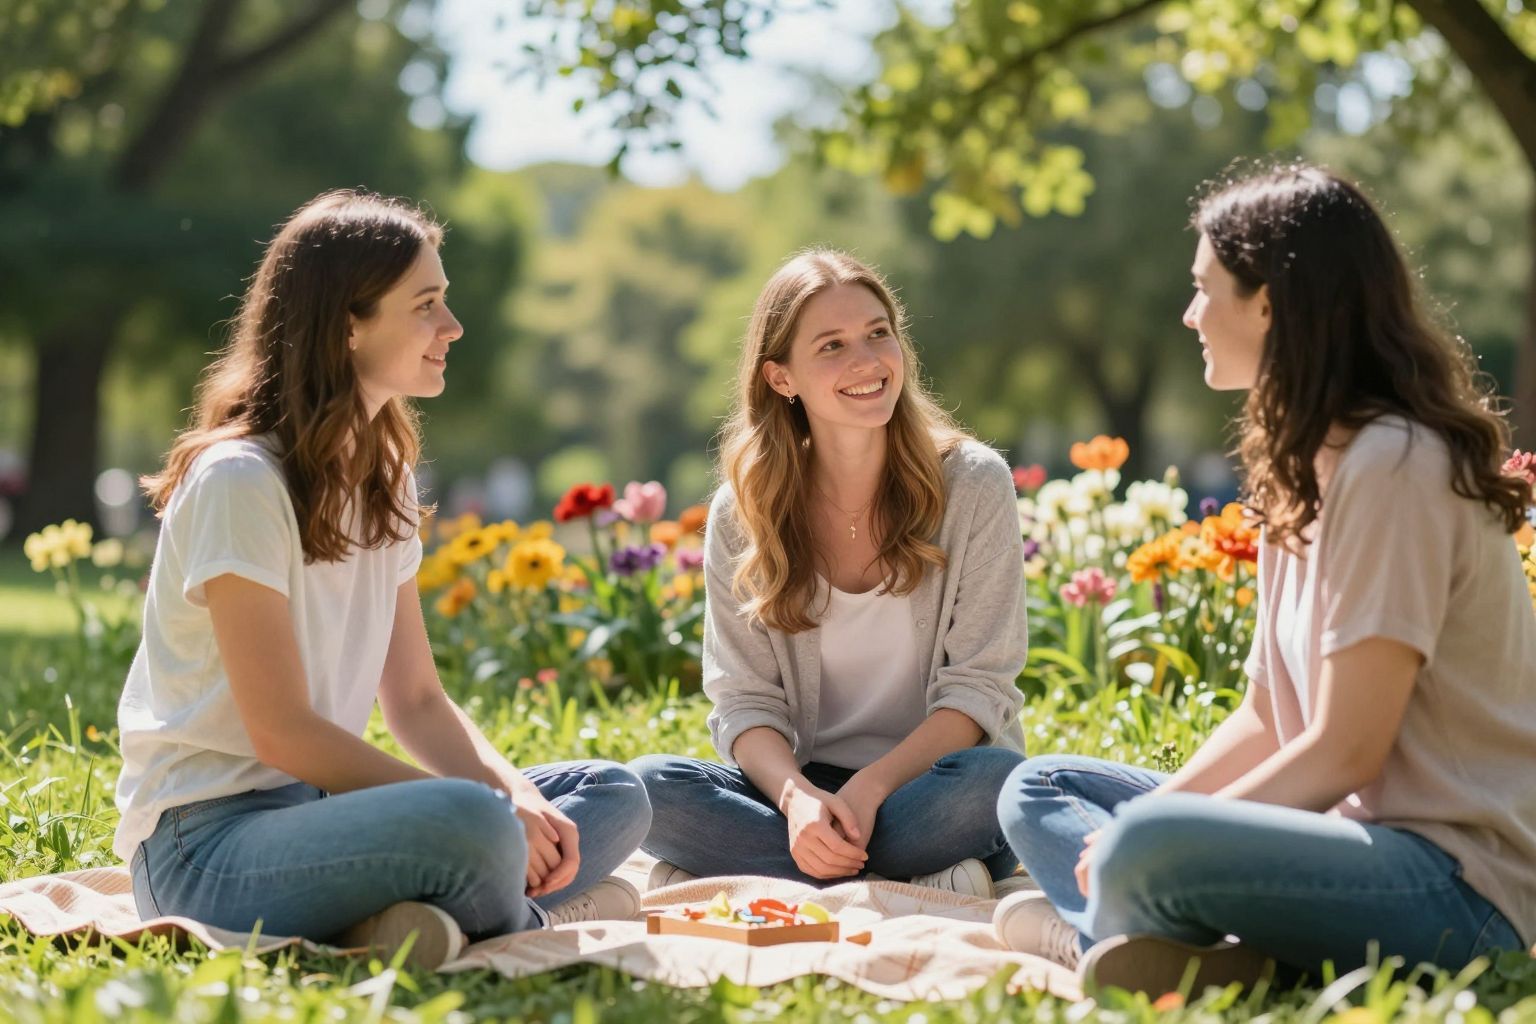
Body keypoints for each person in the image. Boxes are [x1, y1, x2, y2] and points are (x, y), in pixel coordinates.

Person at [993, 163, 1536, 993]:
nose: (1189, 314)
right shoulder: (1308, 468)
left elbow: (1348, 750)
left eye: (1205, 289)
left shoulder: (1395, 465)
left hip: (1458, 887)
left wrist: (1159, 833)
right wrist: (1155, 814)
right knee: (1041, 787)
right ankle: (1206, 949)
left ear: (1270, 303)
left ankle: (1090, 938)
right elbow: (1266, 716)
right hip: (1341, 844)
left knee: (1146, 846)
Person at [116, 190, 651, 969]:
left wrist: (517, 795)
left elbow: (418, 701)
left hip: (320, 816)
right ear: (347, 325)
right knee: (473, 825)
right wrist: (489, 813)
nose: (452, 327)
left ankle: (425, 919)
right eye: (427, 305)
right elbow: (281, 732)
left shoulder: (386, 476)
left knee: (612, 796)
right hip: (204, 851)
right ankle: (531, 911)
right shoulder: (241, 480)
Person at [632, 249, 1028, 895]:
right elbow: (744, 702)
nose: (868, 362)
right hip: (807, 786)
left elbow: (979, 690)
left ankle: (769, 865)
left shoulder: (973, 484)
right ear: (781, 378)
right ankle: (913, 872)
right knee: (650, 788)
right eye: (832, 346)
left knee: (999, 783)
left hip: (935, 784)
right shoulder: (747, 509)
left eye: (878, 334)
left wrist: (872, 790)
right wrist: (798, 803)